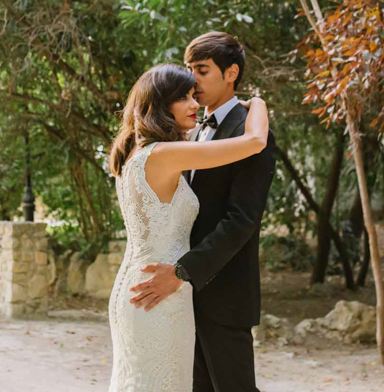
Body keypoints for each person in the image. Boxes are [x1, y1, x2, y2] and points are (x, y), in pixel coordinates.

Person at [107, 46, 273, 392]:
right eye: (183, 95)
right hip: (159, 289)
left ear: (231, 73)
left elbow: (241, 216)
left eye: (201, 73)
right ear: (160, 104)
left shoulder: (137, 150)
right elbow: (255, 140)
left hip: (158, 287)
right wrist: (258, 102)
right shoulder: (166, 153)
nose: (194, 98)